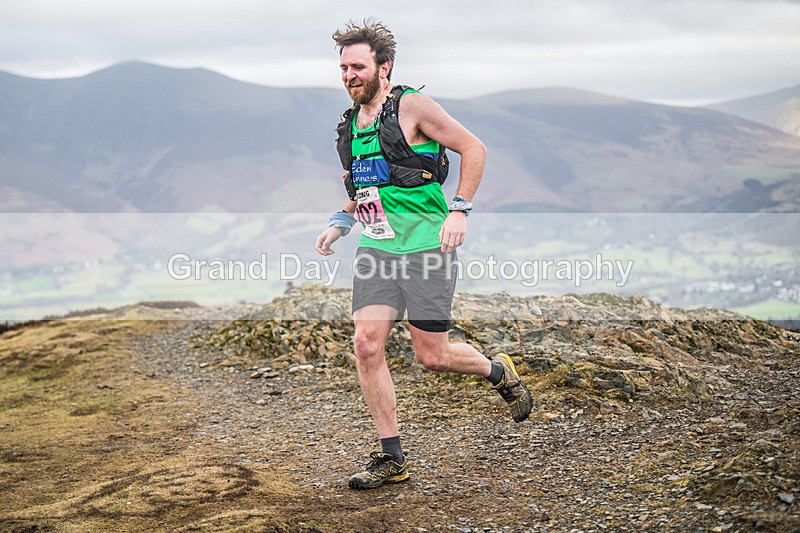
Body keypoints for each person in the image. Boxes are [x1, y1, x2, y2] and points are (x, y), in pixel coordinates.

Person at [315, 19, 532, 490]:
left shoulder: (412, 106)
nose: (349, 74)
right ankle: (391, 457)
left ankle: (497, 370)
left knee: (431, 356)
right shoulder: (349, 124)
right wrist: (343, 220)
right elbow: (372, 184)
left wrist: (460, 209)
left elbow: (474, 148)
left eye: (358, 65)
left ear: (383, 66)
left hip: (427, 247)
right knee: (366, 344)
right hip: (377, 247)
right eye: (343, 67)